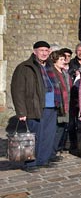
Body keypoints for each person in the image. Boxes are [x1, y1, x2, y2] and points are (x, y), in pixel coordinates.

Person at [11, 41, 58, 172]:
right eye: (41, 50)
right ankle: (30, 163)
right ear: (34, 51)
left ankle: (43, 160)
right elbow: (17, 90)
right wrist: (21, 112)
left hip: (51, 106)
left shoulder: (50, 66)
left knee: (48, 136)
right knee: (33, 137)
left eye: (46, 51)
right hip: (34, 107)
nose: (44, 53)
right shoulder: (25, 67)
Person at [50, 50, 72, 162]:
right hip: (58, 106)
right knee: (56, 129)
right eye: (61, 59)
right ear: (54, 61)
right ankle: (51, 152)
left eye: (64, 59)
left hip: (66, 105)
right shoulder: (52, 72)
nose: (64, 61)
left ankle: (56, 150)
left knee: (62, 128)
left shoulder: (64, 73)